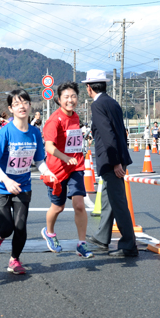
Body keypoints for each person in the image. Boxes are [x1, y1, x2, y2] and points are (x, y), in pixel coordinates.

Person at [0, 89, 54, 274]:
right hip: (0, 185)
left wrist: (48, 172)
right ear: (11, 109)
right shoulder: (4, 133)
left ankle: (14, 260)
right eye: (16, 104)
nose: (21, 106)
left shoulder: (34, 133)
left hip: (23, 185)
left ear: (30, 105)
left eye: (24, 102)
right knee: (7, 226)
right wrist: (6, 180)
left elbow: (39, 160)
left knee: (21, 226)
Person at [82, 69, 137, 257]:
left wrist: (114, 163)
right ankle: (101, 237)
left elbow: (107, 134)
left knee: (118, 201)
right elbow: (121, 132)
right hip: (119, 157)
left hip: (110, 160)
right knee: (107, 199)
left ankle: (129, 244)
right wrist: (121, 159)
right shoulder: (112, 102)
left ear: (89, 88)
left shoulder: (97, 105)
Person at [40, 82, 93, 259]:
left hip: (76, 167)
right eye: (66, 97)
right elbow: (48, 146)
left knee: (79, 204)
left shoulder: (76, 117)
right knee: (58, 207)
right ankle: (50, 232)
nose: (70, 100)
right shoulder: (54, 120)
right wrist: (64, 158)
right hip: (57, 170)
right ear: (58, 99)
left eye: (73, 96)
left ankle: (82, 244)